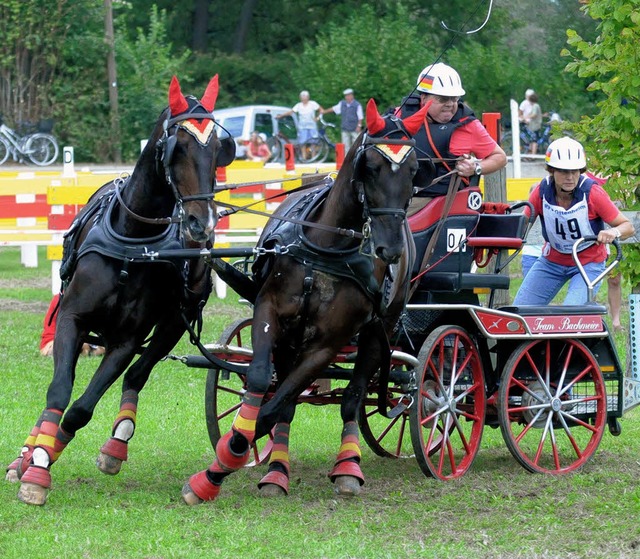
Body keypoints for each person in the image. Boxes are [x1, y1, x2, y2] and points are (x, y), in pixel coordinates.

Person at [513, 137, 635, 306]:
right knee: (519, 310)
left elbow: (628, 226)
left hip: (588, 263)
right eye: (563, 171)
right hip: (551, 261)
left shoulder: (593, 192)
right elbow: (522, 224)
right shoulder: (541, 191)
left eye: (575, 171)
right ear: (552, 171)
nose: (570, 177)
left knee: (570, 315)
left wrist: (613, 232)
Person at [398, 62, 507, 215]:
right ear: (423, 98)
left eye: (454, 98)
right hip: (397, 196)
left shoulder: (468, 125)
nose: (450, 104)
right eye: (443, 99)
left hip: (441, 201)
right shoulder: (399, 118)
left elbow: (500, 157)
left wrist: (475, 168)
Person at [519, 90, 543, 154]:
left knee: (533, 140)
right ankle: (531, 153)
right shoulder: (536, 105)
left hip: (534, 125)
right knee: (532, 140)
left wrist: (525, 117)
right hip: (533, 125)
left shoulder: (535, 106)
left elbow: (534, 114)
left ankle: (532, 155)